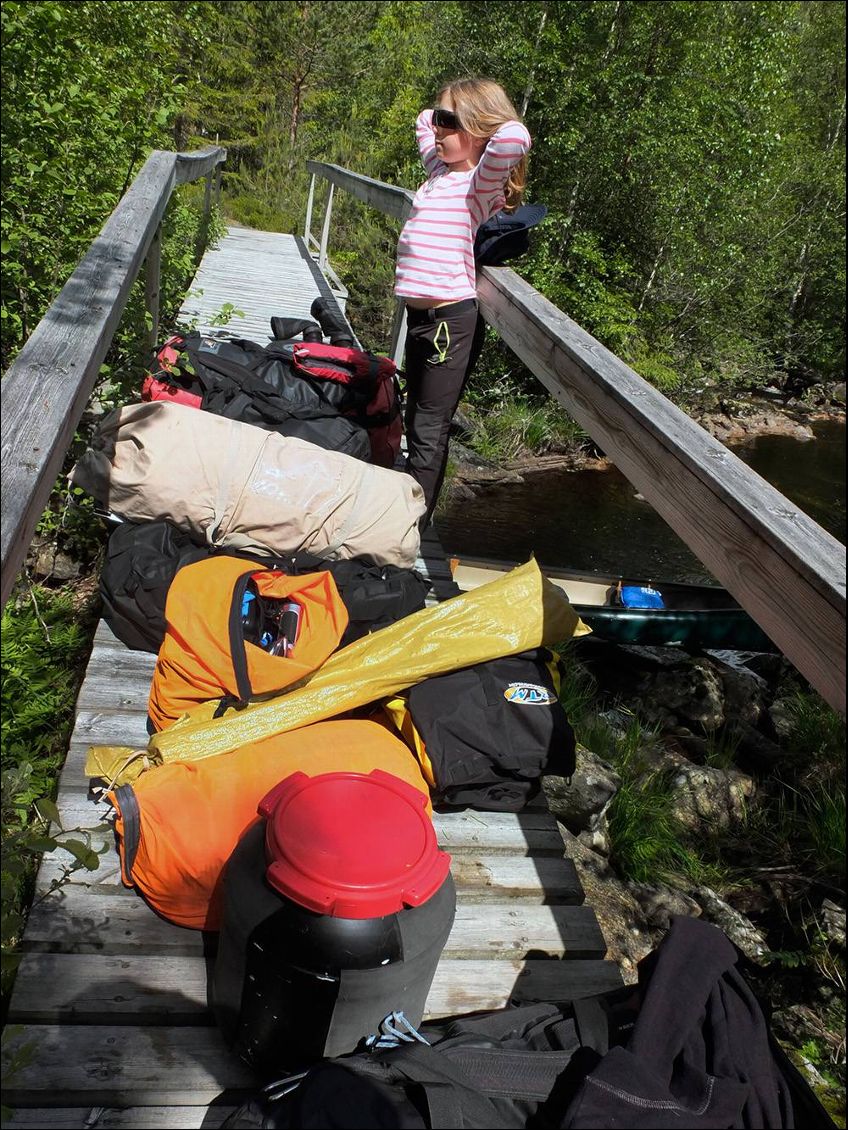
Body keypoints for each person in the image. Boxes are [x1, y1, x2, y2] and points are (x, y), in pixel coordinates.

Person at [395, 78, 531, 525]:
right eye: (439, 118)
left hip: (448, 322)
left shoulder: (478, 183)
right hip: (420, 318)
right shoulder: (438, 172)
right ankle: (402, 509)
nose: (436, 127)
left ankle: (408, 526)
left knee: (429, 428)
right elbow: (421, 120)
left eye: (449, 121)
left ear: (476, 127)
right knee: (414, 414)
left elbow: (515, 135)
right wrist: (443, 114)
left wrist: (479, 120)